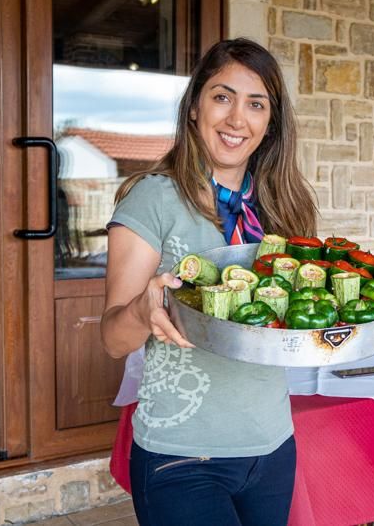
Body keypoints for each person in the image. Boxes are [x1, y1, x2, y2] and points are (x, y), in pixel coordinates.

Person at [102, 38, 318, 526]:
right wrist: (143, 309)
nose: (237, 118)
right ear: (195, 106)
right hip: (183, 455)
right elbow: (113, 339)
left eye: (256, 104)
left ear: (270, 123)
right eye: (223, 96)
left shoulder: (285, 206)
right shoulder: (152, 199)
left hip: (272, 445)